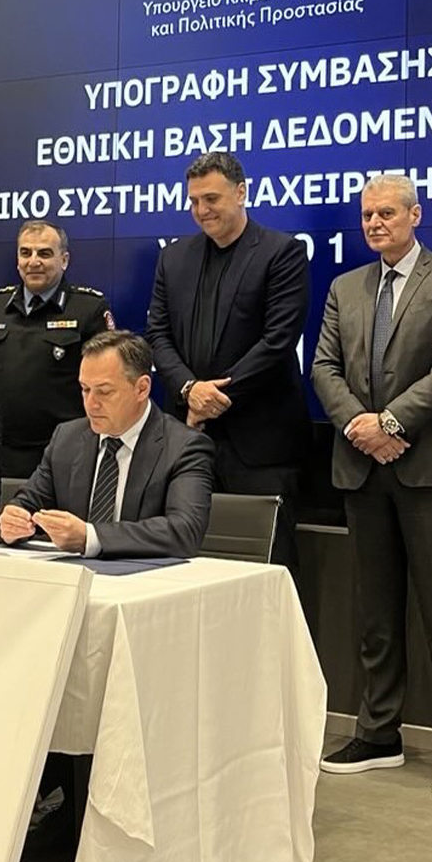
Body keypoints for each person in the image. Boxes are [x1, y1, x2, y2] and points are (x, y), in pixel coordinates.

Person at [311, 174, 432, 800]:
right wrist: (361, 428)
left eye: (386, 213)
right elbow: (323, 366)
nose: (375, 223)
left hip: (429, 469)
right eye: (367, 215)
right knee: (376, 613)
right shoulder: (345, 286)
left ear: (415, 215)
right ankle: (378, 732)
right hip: (361, 468)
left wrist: (389, 423)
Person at [144, 151, 308, 573]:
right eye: (194, 201)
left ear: (241, 193)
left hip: (260, 446)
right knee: (185, 566)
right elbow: (158, 334)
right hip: (187, 437)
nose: (202, 210)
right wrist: (189, 390)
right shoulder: (173, 258)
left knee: (266, 570)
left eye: (211, 199)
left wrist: (212, 398)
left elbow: (278, 341)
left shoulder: (281, 252)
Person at [0, 330, 213, 559]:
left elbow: (184, 531)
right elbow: (25, 503)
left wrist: (90, 537)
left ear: (142, 388)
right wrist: (7, 525)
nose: (90, 404)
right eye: (85, 389)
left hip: (145, 577)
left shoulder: (184, 447)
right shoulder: (67, 438)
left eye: (104, 392)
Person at [0, 219, 113, 477]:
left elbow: (105, 386)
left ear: (64, 260)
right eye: (26, 253)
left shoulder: (88, 308)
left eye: (44, 253)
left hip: (66, 452)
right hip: (1, 452)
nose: (33, 261)